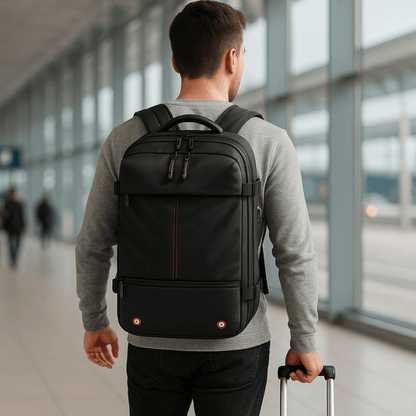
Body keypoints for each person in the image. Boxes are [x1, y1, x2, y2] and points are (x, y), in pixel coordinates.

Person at [76, 1, 323, 415]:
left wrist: (94, 320)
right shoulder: (266, 139)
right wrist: (304, 340)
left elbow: (93, 242)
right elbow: (294, 251)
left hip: (150, 336)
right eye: (242, 55)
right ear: (232, 57)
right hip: (236, 340)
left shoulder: (126, 137)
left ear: (175, 61)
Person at [2, 187, 25, 268]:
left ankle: (15, 257)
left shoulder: (19, 204)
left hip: (18, 227)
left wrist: (24, 226)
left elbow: (22, 216)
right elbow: (4, 216)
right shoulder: (7, 204)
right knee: (11, 244)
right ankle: (13, 257)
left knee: (18, 243)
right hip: (10, 227)